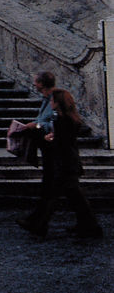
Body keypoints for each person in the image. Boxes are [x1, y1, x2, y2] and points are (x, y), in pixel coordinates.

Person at [21, 77, 103, 240]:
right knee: (75, 198)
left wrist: (49, 139)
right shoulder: (70, 120)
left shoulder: (61, 121)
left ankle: (40, 225)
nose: (50, 103)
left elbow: (62, 142)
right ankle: (89, 226)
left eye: (52, 101)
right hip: (69, 163)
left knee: (55, 197)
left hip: (64, 164)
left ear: (58, 103)